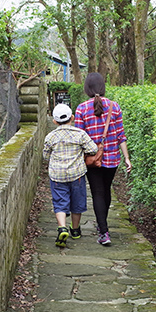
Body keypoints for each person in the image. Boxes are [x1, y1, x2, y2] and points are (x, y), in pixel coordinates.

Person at [74, 72, 132, 246]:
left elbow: (79, 138)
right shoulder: (114, 106)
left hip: (92, 159)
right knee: (106, 191)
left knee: (97, 192)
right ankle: (102, 226)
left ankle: (104, 232)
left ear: (86, 88)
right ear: (102, 87)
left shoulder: (81, 109)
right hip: (112, 157)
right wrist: (127, 158)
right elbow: (121, 135)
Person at [43, 103, 99, 248]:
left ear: (54, 121)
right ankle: (75, 230)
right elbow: (93, 149)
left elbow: (45, 155)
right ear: (72, 118)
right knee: (77, 203)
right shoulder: (80, 134)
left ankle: (62, 227)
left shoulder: (51, 136)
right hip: (77, 175)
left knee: (60, 203)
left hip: (57, 176)